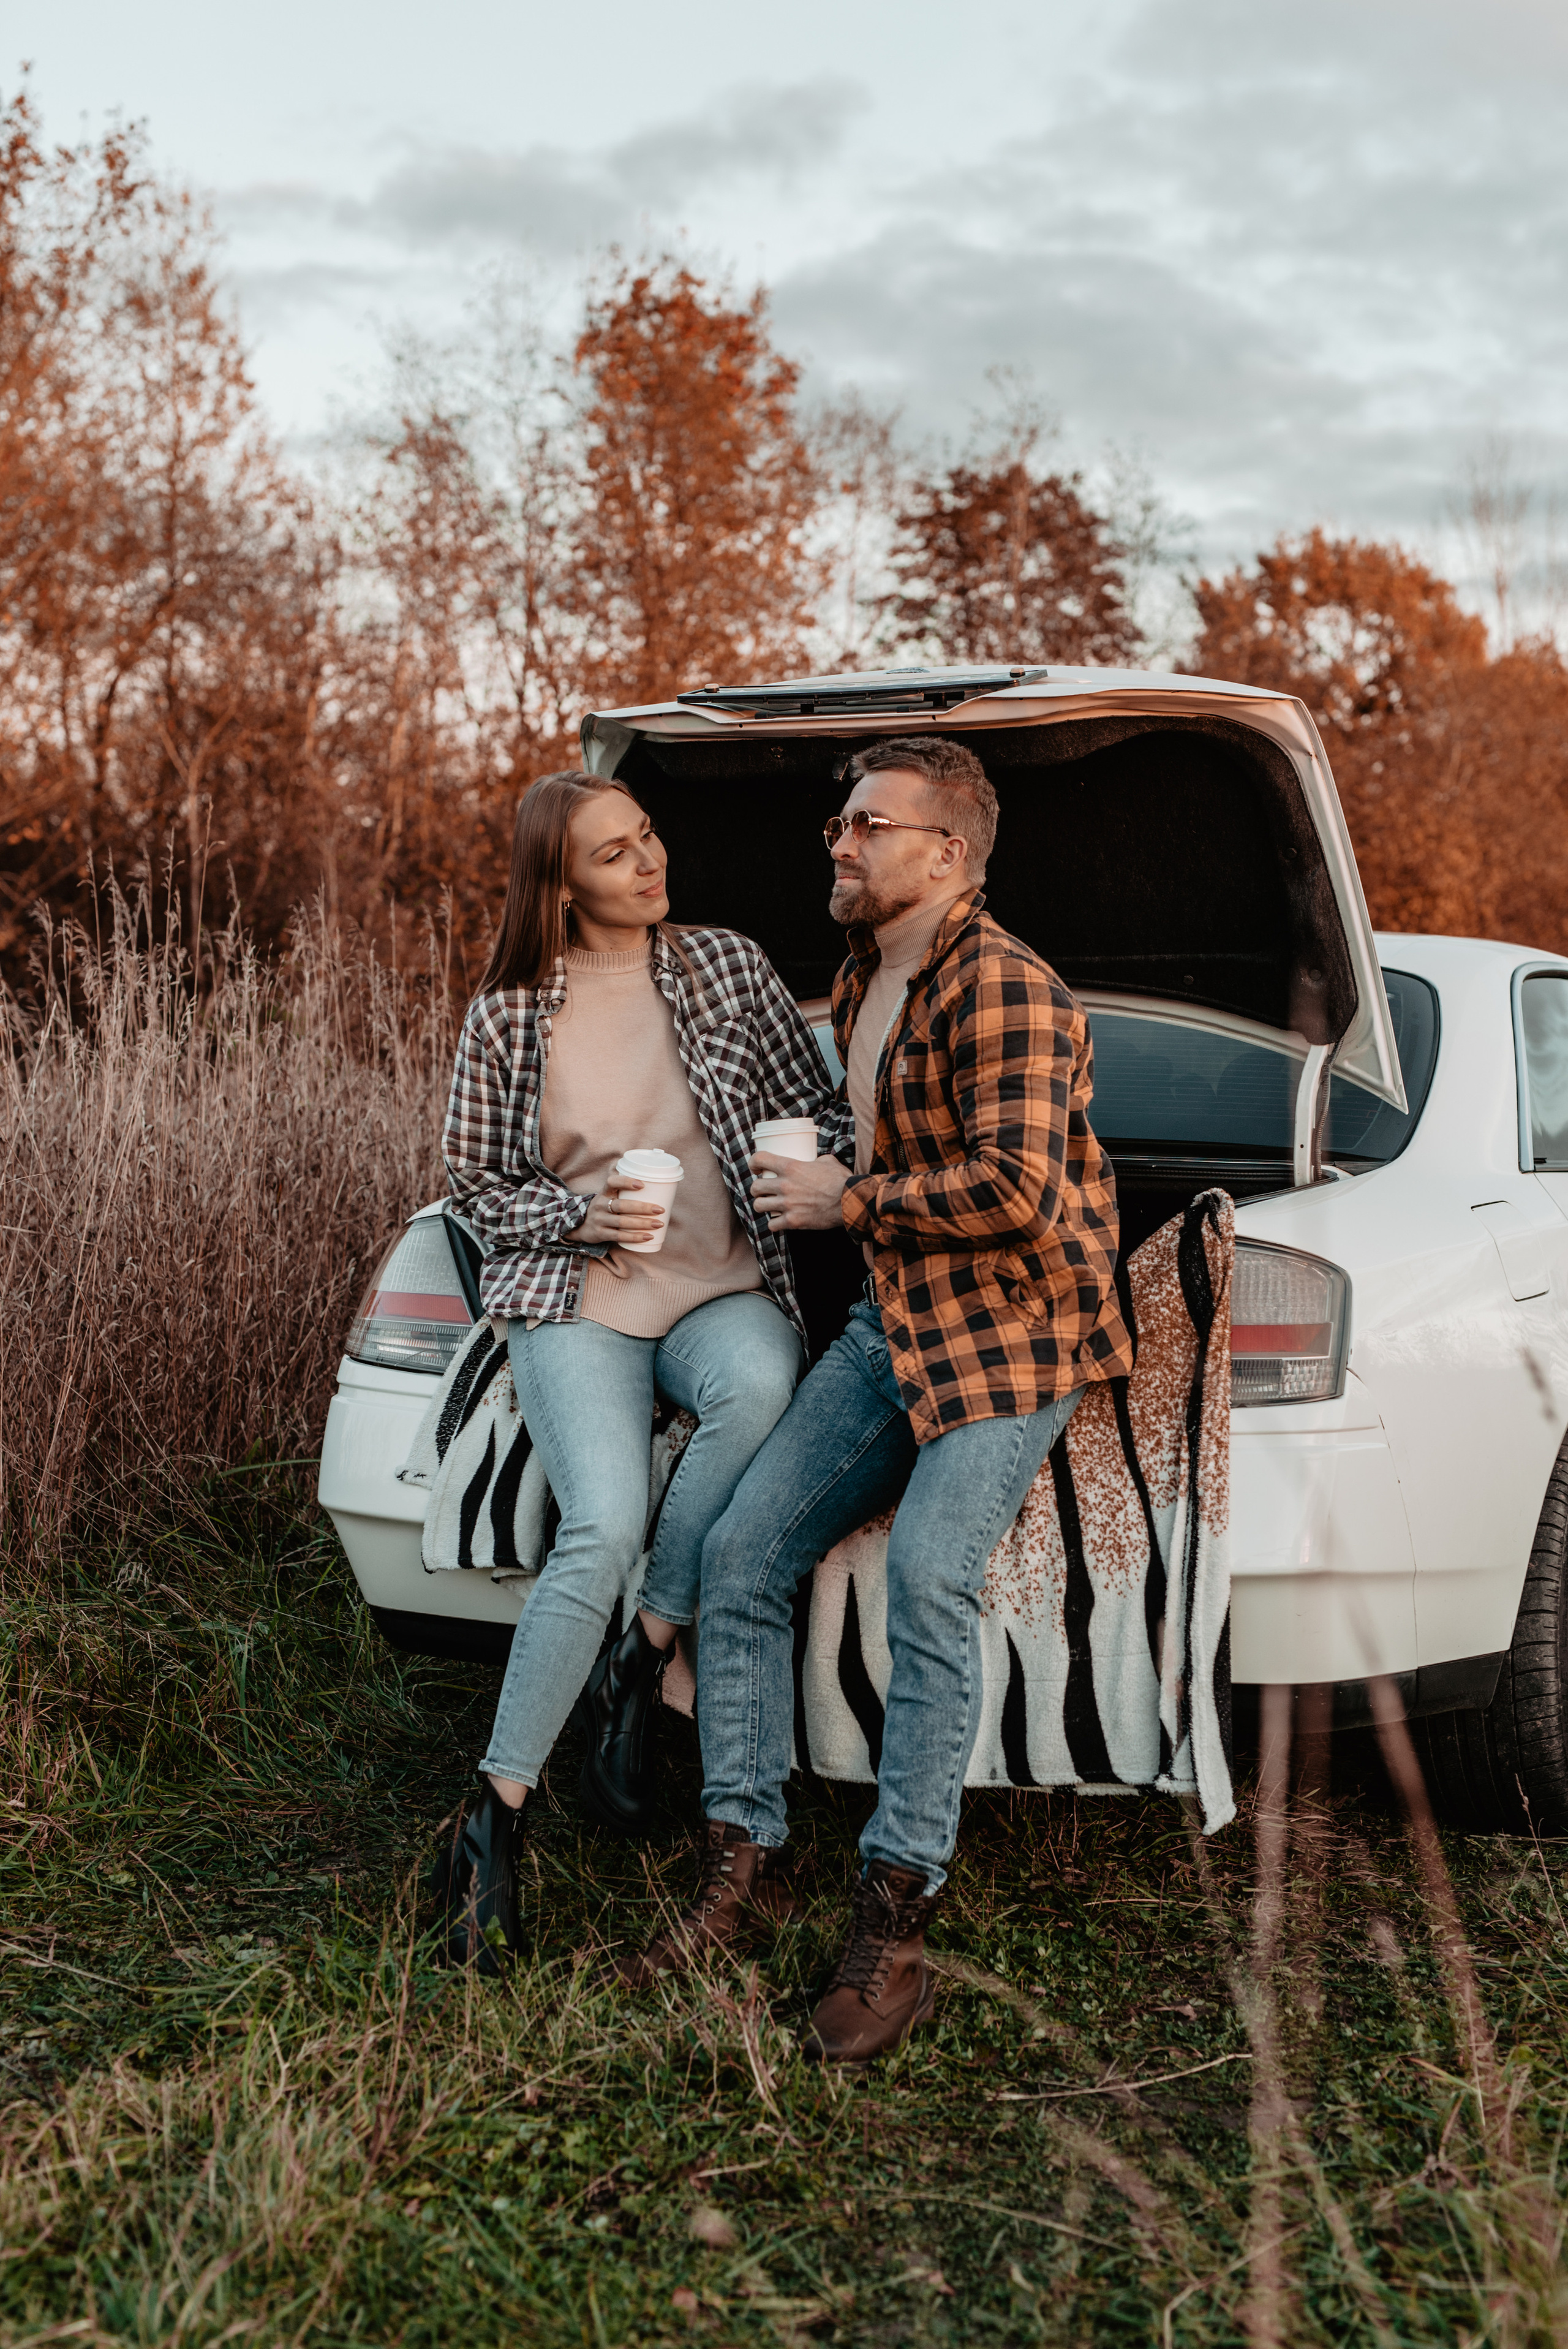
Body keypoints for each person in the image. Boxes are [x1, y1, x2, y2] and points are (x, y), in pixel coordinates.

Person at [617, 736, 1135, 2065]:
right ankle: (743, 1861)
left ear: (945, 853)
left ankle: (893, 1916)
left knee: (926, 1581)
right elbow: (888, 1142)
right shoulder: (860, 976)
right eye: (838, 824)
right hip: (893, 1320)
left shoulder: (1005, 986)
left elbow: (1013, 1191)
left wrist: (848, 1199)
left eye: (866, 826)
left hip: (1014, 1330)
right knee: (741, 1556)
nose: (837, 844)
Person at [434, 771, 832, 1972]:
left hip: (721, 1287)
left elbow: (814, 1107)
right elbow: (475, 1191)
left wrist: (819, 1167)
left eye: (648, 835)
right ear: (561, 884)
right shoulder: (507, 1015)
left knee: (760, 1393)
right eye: (615, 854)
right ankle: (489, 1823)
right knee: (598, 1523)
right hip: (579, 1300)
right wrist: (578, 1215)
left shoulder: (725, 966)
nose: (649, 861)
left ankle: (646, 1649)